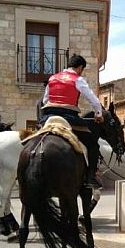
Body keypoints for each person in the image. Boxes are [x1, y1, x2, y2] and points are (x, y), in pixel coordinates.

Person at [40, 54, 105, 189]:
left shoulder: (52, 78)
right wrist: (98, 114)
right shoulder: (78, 79)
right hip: (68, 118)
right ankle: (90, 177)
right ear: (80, 67)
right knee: (93, 145)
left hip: (47, 117)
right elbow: (94, 100)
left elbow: (45, 100)